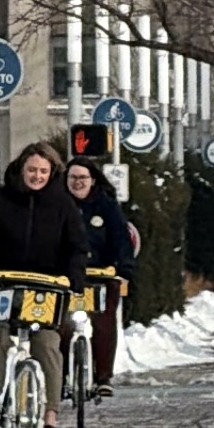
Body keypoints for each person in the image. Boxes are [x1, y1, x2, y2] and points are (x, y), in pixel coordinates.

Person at [0, 145, 90, 428]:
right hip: (3, 280)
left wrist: (74, 280)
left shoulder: (64, 206)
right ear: (21, 170)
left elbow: (76, 246)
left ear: (52, 173)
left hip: (47, 285)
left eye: (43, 171)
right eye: (32, 170)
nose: (37, 176)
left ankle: (51, 420)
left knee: (47, 345)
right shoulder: (0, 199)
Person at [68, 159, 139, 394]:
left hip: (101, 274)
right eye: (73, 178)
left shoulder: (107, 206)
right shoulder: (58, 205)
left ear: (93, 180)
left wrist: (123, 268)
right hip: (67, 276)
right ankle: (62, 375)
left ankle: (103, 377)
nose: (78, 183)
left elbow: (121, 238)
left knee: (105, 323)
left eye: (82, 178)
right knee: (60, 324)